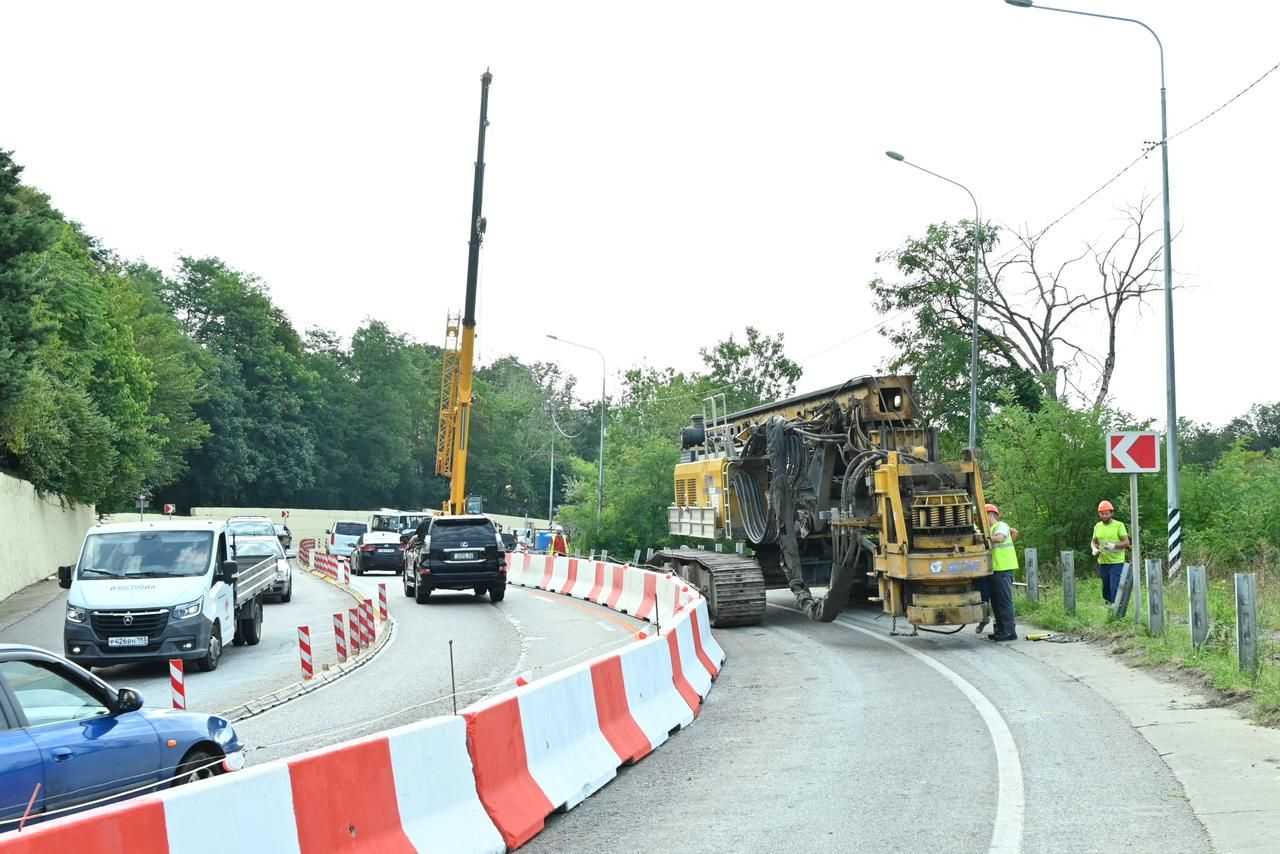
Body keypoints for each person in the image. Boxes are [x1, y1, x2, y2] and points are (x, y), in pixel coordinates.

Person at [986, 503, 1019, 642]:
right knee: (996, 602)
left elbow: (999, 538)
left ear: (991, 514)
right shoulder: (990, 528)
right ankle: (1000, 630)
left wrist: (985, 538)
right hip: (994, 570)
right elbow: (1015, 532)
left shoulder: (1000, 526)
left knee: (1004, 602)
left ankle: (1009, 632)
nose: (977, 519)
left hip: (1003, 569)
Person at [1091, 500, 1131, 605]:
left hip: (1117, 562)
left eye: (1106, 513)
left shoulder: (1119, 525)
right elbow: (1093, 541)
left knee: (1115, 586)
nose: (1104, 516)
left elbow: (1126, 542)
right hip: (1103, 562)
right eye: (1102, 514)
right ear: (1099, 514)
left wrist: (1114, 546)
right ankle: (1108, 607)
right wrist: (1094, 549)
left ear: (1111, 513)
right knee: (1106, 587)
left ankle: (1116, 609)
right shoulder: (1097, 526)